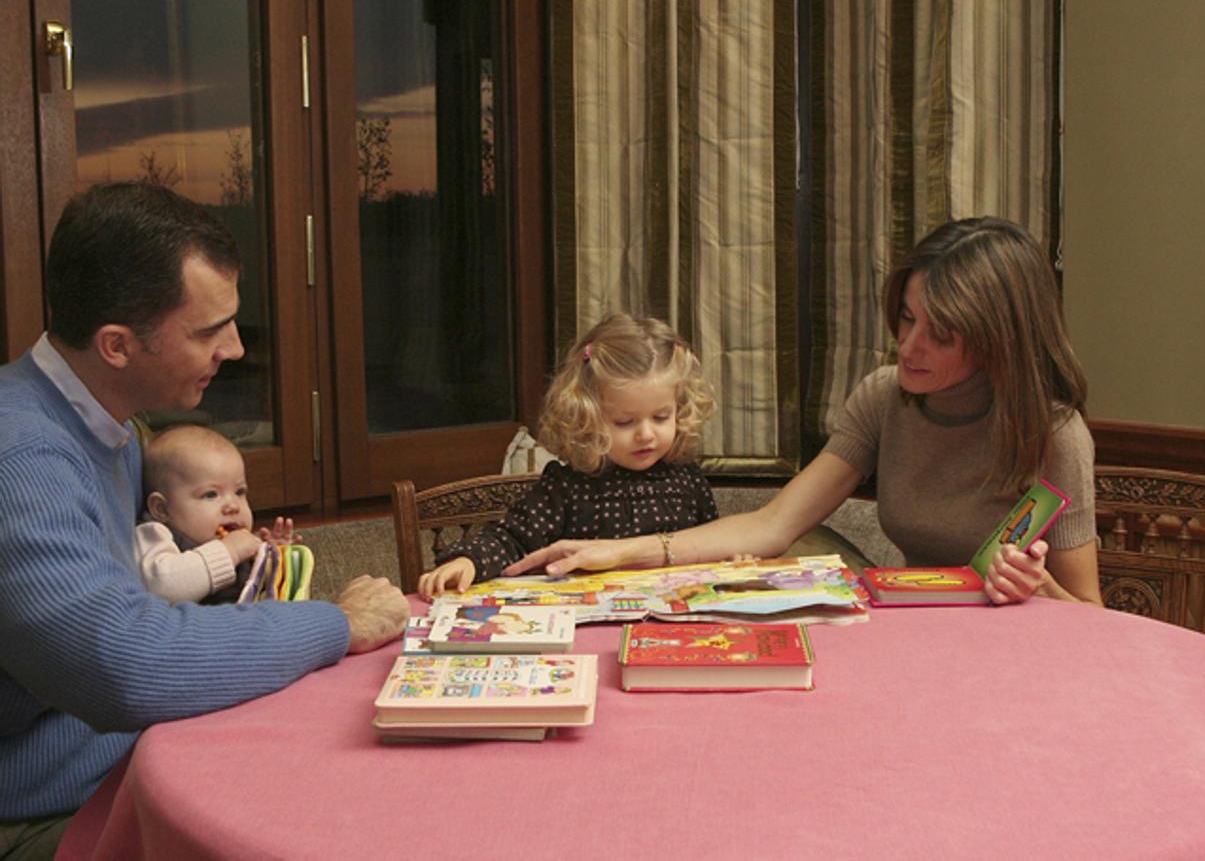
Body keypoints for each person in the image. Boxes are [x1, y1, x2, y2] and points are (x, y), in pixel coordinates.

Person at [0, 182, 409, 857]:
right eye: (209, 331)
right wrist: (337, 622)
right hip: (41, 815)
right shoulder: (21, 456)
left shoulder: (117, 432)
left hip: (117, 760)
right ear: (116, 345)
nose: (236, 350)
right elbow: (129, 665)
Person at [505, 218, 1102, 606]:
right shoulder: (882, 396)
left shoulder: (1055, 433)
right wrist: (618, 551)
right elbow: (773, 525)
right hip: (913, 631)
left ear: (999, 336)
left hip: (1010, 655)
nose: (910, 346)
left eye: (942, 334)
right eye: (907, 317)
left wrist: (1037, 589)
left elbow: (1090, 620)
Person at [417, 311, 719, 597]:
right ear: (585, 417)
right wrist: (468, 560)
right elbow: (510, 538)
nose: (646, 434)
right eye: (624, 422)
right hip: (589, 625)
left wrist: (735, 558)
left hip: (673, 624)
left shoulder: (687, 479)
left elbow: (711, 541)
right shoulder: (566, 487)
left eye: (661, 417)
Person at [138, 424, 295, 604]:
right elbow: (162, 587)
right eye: (211, 494)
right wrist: (230, 551)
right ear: (161, 509)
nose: (233, 506)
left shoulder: (232, 541)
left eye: (239, 492)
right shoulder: (155, 535)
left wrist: (270, 560)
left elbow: (258, 590)